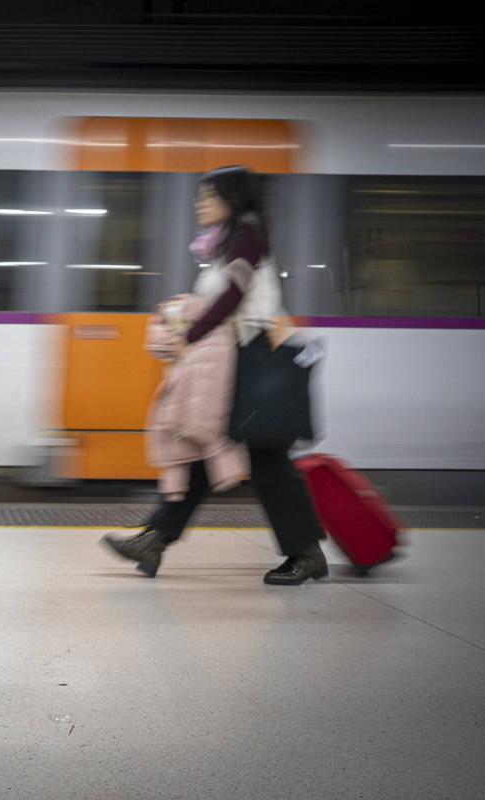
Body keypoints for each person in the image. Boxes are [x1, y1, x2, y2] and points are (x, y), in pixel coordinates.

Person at [102, 165, 327, 586]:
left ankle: (305, 552)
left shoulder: (248, 232)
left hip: (254, 356)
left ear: (231, 198)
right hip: (236, 357)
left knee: (266, 458)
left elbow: (234, 295)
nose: (199, 203)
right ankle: (155, 539)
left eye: (207, 195)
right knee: (208, 449)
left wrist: (193, 332)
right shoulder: (229, 240)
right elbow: (220, 296)